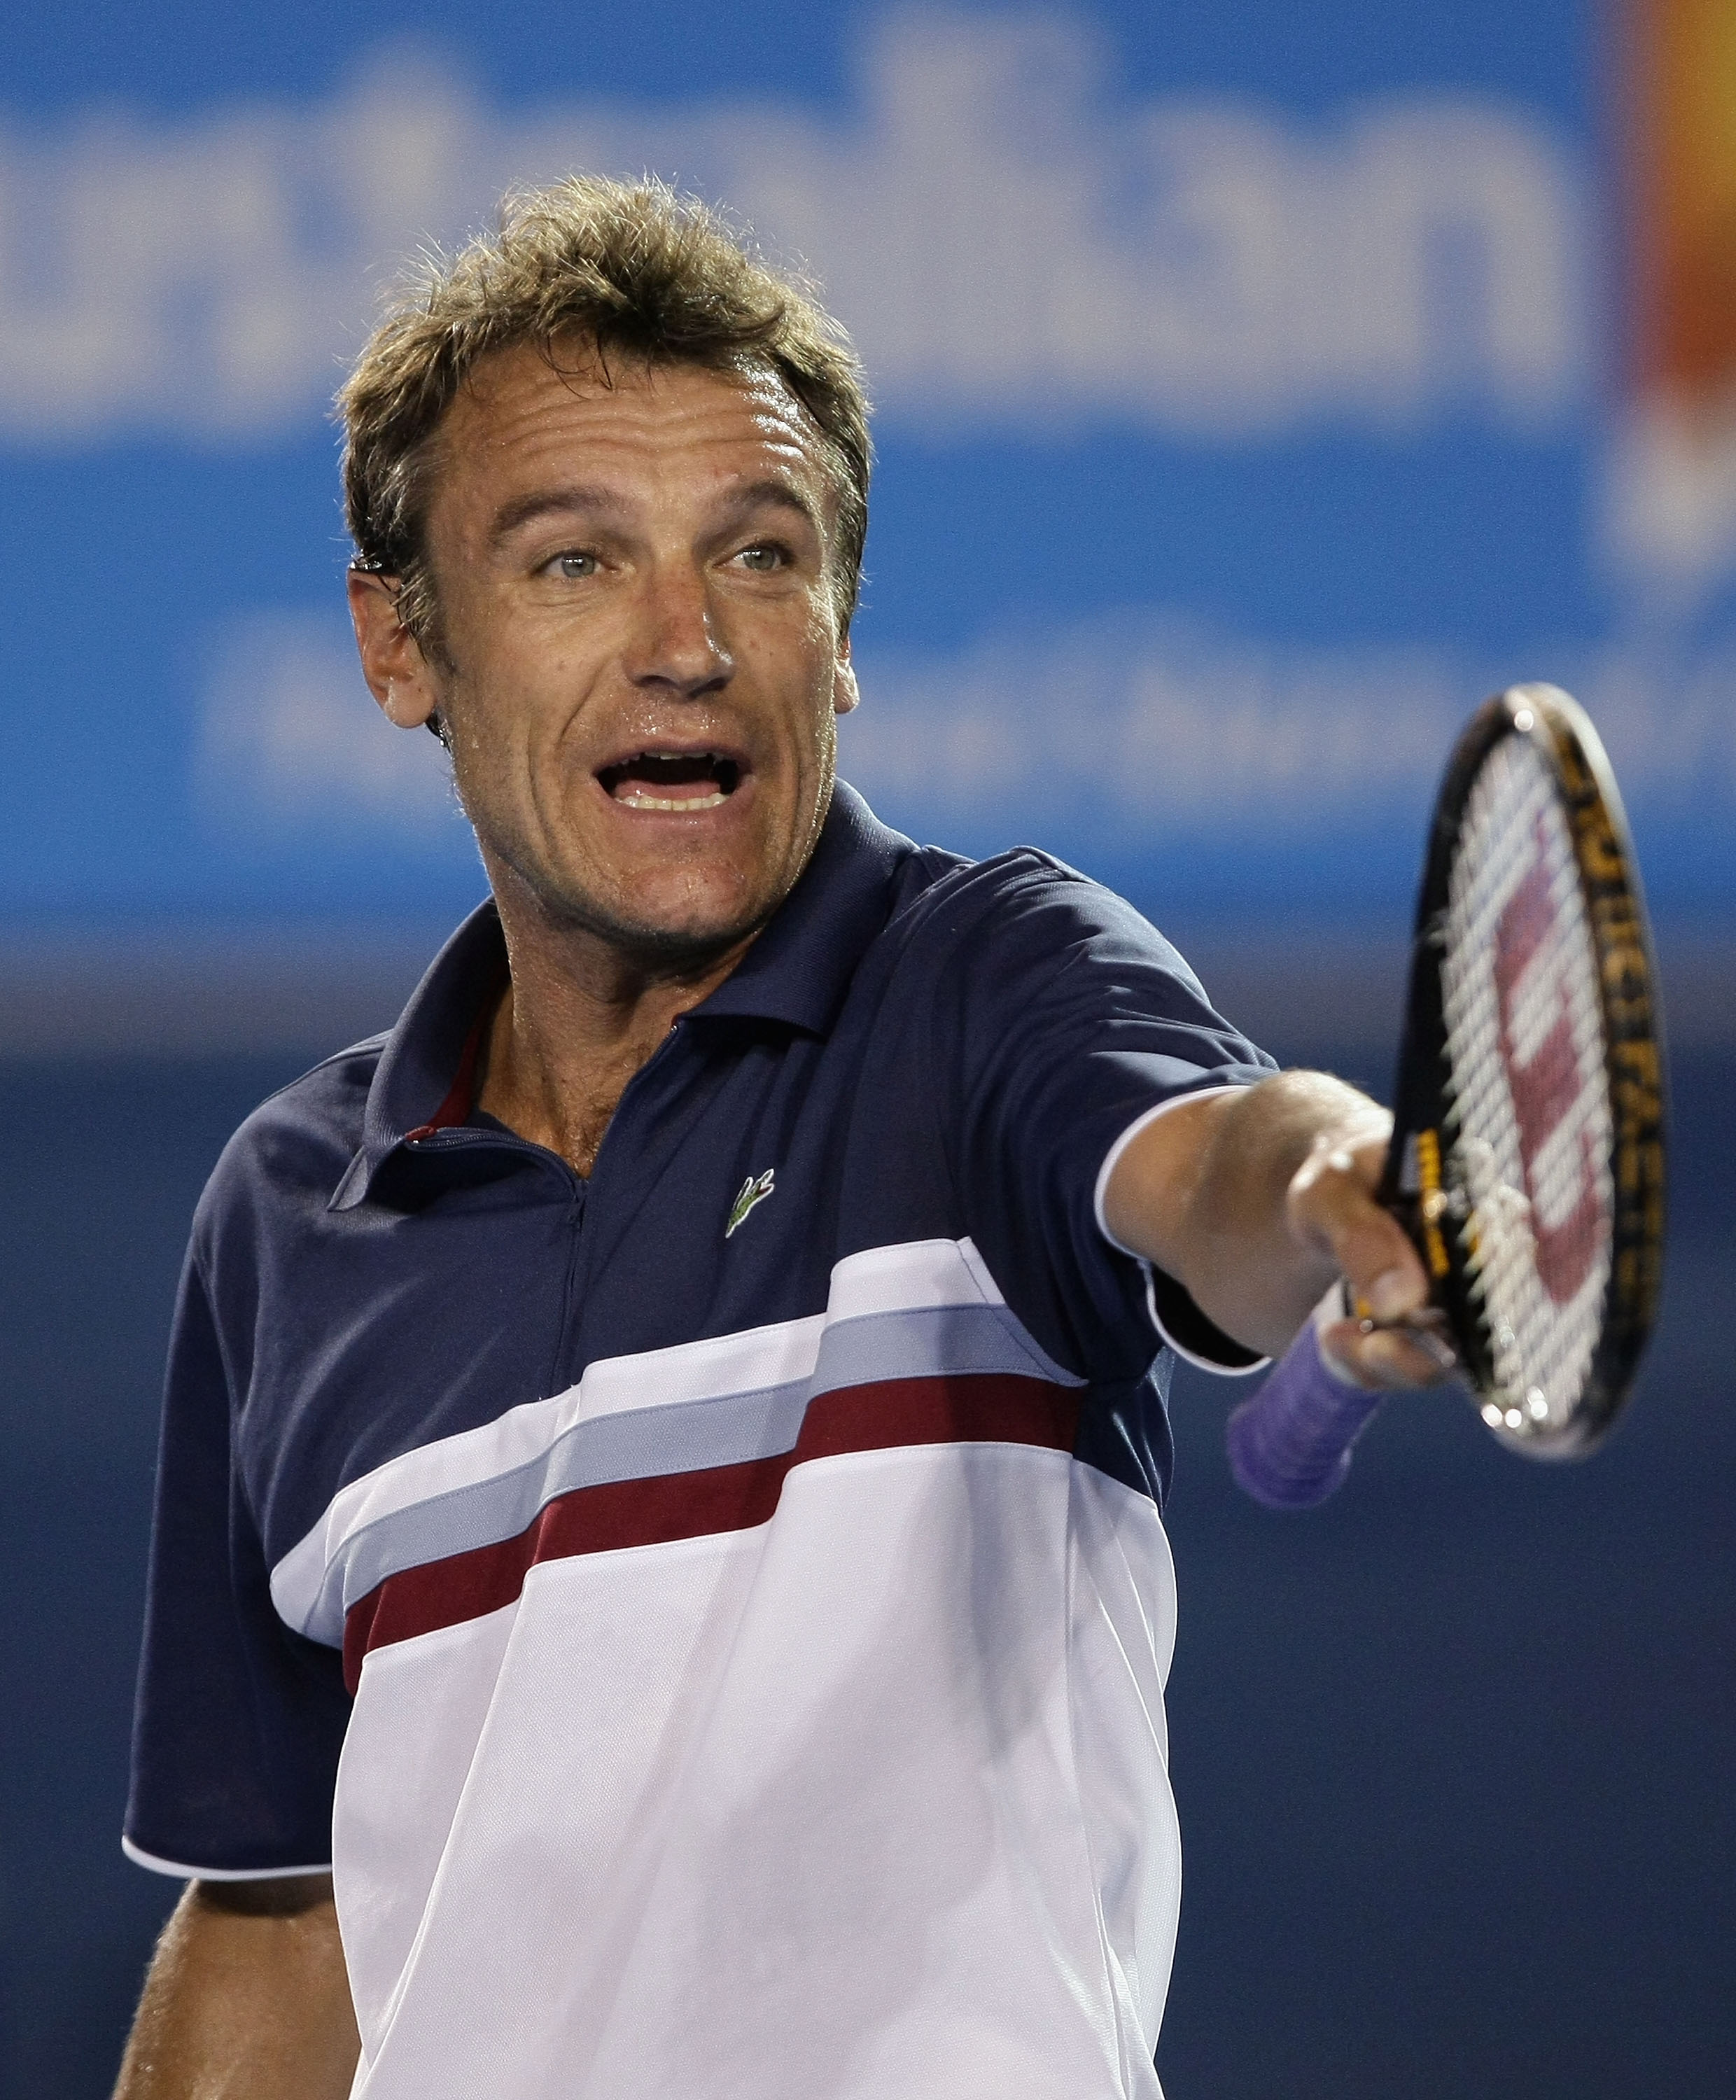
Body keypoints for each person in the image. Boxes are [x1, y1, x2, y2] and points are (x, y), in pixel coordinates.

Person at [114, 176, 1445, 2100]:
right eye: (574, 564)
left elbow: (1216, 1168)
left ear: (838, 640)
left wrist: (1340, 1190)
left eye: (761, 555)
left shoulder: (988, 981)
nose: (688, 641)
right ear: (401, 647)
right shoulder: (287, 1215)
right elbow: (285, 1922)